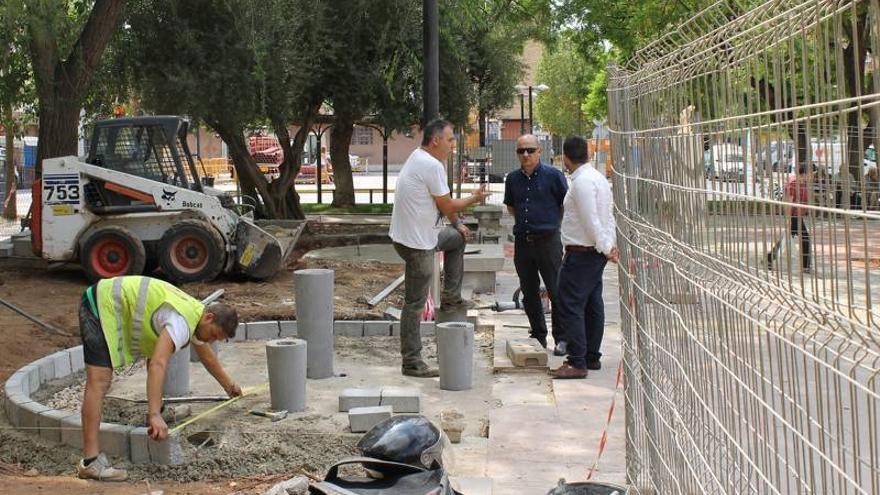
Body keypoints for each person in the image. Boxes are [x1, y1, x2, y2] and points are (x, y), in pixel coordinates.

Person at [76, 276, 241, 481]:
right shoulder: (182, 321)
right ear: (209, 318)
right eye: (215, 335)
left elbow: (206, 355)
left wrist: (229, 385)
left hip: (110, 301)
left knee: (155, 357)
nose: (212, 340)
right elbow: (157, 364)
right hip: (100, 304)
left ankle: (160, 410)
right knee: (100, 380)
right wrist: (153, 415)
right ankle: (90, 463)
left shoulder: (196, 314)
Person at [390, 118, 487, 377]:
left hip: (414, 236)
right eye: (450, 140)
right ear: (436, 141)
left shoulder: (418, 156)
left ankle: (451, 295)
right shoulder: (431, 165)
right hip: (416, 243)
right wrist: (474, 198)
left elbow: (441, 205)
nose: (452, 145)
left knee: (456, 239)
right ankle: (411, 361)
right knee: (414, 303)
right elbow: (448, 205)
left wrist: (457, 225)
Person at [551, 136, 618, 380]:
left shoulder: (581, 183)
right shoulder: (598, 178)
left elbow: (592, 220)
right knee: (591, 303)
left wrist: (605, 247)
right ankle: (591, 355)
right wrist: (608, 245)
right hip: (593, 251)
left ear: (565, 158)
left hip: (582, 252)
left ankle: (577, 360)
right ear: (588, 153)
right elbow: (608, 217)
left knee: (570, 304)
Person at [503, 134, 568, 352]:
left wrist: (550, 224)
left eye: (530, 150)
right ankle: (538, 334)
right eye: (521, 151)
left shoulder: (553, 176)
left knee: (555, 289)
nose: (526, 155)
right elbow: (511, 206)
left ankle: (562, 338)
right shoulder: (512, 179)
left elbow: (564, 205)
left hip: (548, 241)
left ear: (539, 150)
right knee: (529, 292)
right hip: (523, 242)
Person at [767, 163, 811, 272]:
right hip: (794, 216)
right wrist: (789, 219)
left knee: (786, 240)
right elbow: (788, 202)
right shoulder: (793, 183)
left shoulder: (803, 183)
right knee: (805, 239)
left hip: (798, 215)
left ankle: (769, 258)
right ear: (804, 174)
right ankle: (806, 266)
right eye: (811, 173)